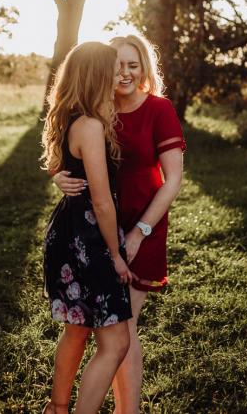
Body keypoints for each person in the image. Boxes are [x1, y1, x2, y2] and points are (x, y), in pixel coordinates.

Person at [54, 34, 185, 414]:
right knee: (100, 331)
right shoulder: (97, 110)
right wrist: (58, 178)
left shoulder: (159, 110)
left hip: (144, 227)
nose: (124, 73)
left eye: (133, 64)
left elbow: (173, 179)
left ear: (145, 68)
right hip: (97, 230)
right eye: (118, 66)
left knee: (123, 328)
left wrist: (140, 233)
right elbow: (71, 158)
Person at [41, 41, 134, 414]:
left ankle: (57, 408)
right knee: (115, 344)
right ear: (98, 75)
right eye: (114, 69)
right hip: (88, 241)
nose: (121, 75)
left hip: (66, 234)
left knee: (76, 329)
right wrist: (115, 254)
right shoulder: (91, 126)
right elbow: (101, 201)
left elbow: (62, 170)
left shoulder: (71, 118)